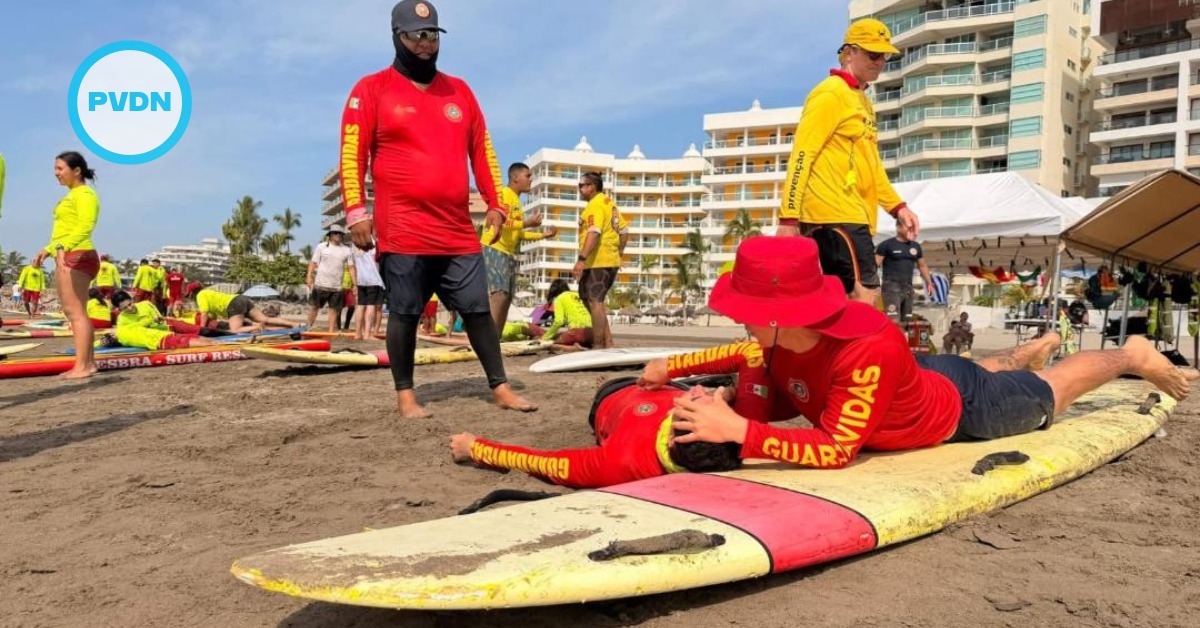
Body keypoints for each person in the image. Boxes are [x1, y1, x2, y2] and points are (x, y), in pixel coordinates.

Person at [639, 236, 1196, 469]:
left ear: (781, 318)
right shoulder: (781, 338)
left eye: (746, 306)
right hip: (922, 376)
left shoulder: (865, 350)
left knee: (1052, 391)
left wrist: (738, 430)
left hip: (964, 413)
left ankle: (1131, 354)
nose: (738, 315)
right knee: (970, 369)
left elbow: (836, 450)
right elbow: (755, 364)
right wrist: (699, 382)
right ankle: (1033, 347)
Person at [341, 0, 534, 417]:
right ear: (398, 37)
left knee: (478, 309)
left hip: (456, 229)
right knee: (407, 312)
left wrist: (497, 204)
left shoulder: (460, 91)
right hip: (404, 227)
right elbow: (352, 152)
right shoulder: (371, 89)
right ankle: (406, 395)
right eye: (416, 35)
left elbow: (482, 151)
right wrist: (356, 211)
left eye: (431, 36)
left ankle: (500, 386)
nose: (425, 44)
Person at [776, 18, 919, 306]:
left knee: (844, 300)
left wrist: (897, 206)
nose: (880, 62)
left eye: (885, 56)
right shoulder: (830, 94)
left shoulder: (862, 101)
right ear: (849, 52)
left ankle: (833, 351)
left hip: (854, 214)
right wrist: (789, 216)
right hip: (833, 213)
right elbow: (802, 154)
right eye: (872, 54)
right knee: (864, 295)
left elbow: (871, 166)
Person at [451, 378, 748, 489]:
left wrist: (475, 448)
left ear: (673, 438)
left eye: (697, 401)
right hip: (667, 385)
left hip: (613, 393)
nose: (702, 393)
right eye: (707, 397)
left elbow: (544, 462)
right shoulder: (727, 440)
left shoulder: (620, 463)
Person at [32, 151, 101, 379]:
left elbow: (85, 226)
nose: (56, 173)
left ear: (77, 170)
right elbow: (63, 231)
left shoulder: (84, 194)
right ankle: (87, 364)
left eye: (60, 169)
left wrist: (61, 247)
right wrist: (49, 249)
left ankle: (82, 367)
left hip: (77, 255)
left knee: (75, 312)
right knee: (78, 312)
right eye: (55, 169)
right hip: (70, 253)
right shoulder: (73, 195)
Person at [483, 162, 556, 331]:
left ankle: (496, 338)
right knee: (499, 295)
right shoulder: (504, 194)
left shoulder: (516, 200)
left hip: (507, 252)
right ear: (515, 177)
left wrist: (542, 235)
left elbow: (519, 233)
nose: (531, 179)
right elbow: (500, 220)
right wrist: (526, 222)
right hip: (495, 248)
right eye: (528, 176)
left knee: (507, 297)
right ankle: (491, 340)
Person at [572, 171, 628, 349]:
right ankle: (608, 343)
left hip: (599, 261)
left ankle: (598, 346)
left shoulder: (595, 205)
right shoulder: (609, 204)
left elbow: (594, 232)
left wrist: (581, 259)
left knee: (595, 301)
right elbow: (625, 232)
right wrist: (619, 252)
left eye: (581, 185)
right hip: (604, 260)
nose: (579, 189)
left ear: (591, 187)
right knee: (586, 298)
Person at [109, 290, 220, 351]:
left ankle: (231, 333)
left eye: (130, 304)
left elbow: (159, 318)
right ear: (119, 309)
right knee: (184, 339)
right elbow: (129, 332)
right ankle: (217, 342)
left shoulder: (145, 304)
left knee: (203, 331)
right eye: (125, 308)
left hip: (167, 325)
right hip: (160, 334)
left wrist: (156, 320)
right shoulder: (122, 319)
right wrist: (148, 322)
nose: (130, 308)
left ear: (132, 299)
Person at [875, 223, 933, 323]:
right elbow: (875, 265)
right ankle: (892, 338)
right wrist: (874, 285)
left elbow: (922, 265)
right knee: (893, 320)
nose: (910, 230)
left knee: (907, 322)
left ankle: (904, 338)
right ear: (898, 227)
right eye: (907, 227)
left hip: (908, 288)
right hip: (891, 288)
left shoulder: (915, 246)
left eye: (911, 228)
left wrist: (929, 282)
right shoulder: (886, 245)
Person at [187, 282, 296, 333]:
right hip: (241, 298)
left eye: (189, 295)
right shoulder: (208, 292)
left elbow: (204, 313)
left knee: (235, 329)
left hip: (233, 305)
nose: (189, 297)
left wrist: (201, 329)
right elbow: (213, 314)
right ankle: (293, 325)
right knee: (265, 319)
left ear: (192, 293)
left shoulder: (200, 296)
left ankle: (257, 328)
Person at [306, 225, 355, 333]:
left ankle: (331, 331)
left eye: (340, 234)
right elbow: (313, 263)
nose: (338, 235)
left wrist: (355, 284)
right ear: (330, 235)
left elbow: (351, 268)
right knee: (314, 307)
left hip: (337, 287)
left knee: (333, 310)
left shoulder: (347, 250)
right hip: (320, 284)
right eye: (335, 233)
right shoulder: (321, 247)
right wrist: (309, 276)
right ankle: (307, 328)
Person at [540, 278, 593, 350]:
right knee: (560, 335)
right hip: (591, 332)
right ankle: (583, 344)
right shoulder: (577, 294)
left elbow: (559, 321)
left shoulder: (559, 298)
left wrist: (545, 338)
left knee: (550, 344)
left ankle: (573, 348)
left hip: (576, 332)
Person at [352, 245, 386, 340]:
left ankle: (358, 333)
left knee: (360, 305)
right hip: (373, 279)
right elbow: (378, 259)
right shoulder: (373, 243)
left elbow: (352, 265)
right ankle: (367, 334)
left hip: (361, 279)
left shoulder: (355, 244)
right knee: (371, 305)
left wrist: (355, 283)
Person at [341, 264, 357, 331]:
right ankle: (338, 327)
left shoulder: (353, 259)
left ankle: (346, 326)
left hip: (350, 287)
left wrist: (355, 285)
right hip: (341, 286)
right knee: (339, 307)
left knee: (352, 306)